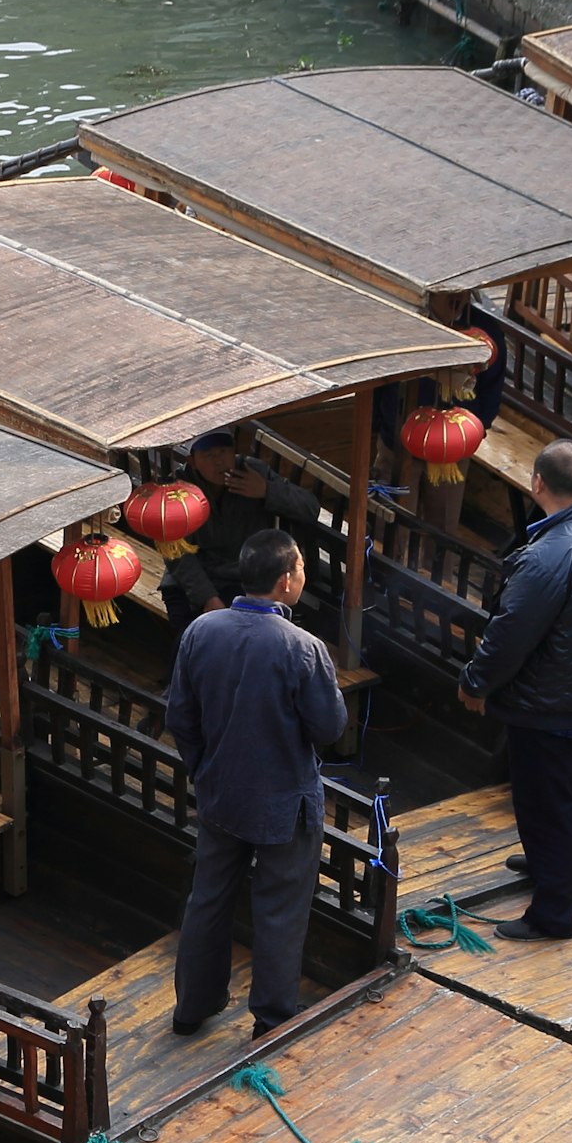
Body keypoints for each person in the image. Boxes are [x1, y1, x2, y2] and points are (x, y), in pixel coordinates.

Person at [164, 526, 349, 1037]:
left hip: (221, 792)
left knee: (209, 898)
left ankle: (192, 1007)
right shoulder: (304, 648)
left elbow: (180, 717)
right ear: (287, 579)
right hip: (284, 802)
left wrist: (204, 769)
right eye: (302, 568)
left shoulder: (202, 631)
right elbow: (329, 728)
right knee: (280, 910)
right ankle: (271, 1019)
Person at [457, 438, 572, 942]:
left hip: (549, 702)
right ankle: (555, 869)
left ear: (537, 484)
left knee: (545, 803)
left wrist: (475, 683)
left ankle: (553, 914)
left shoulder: (547, 557)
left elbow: (509, 634)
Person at [154, 431, 312, 625]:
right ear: (192, 461)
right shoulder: (177, 489)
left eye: (224, 451)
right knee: (189, 635)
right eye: (209, 455)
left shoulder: (252, 471)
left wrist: (267, 490)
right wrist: (207, 597)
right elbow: (177, 555)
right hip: (192, 582)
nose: (219, 461)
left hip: (244, 577)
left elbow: (310, 507)